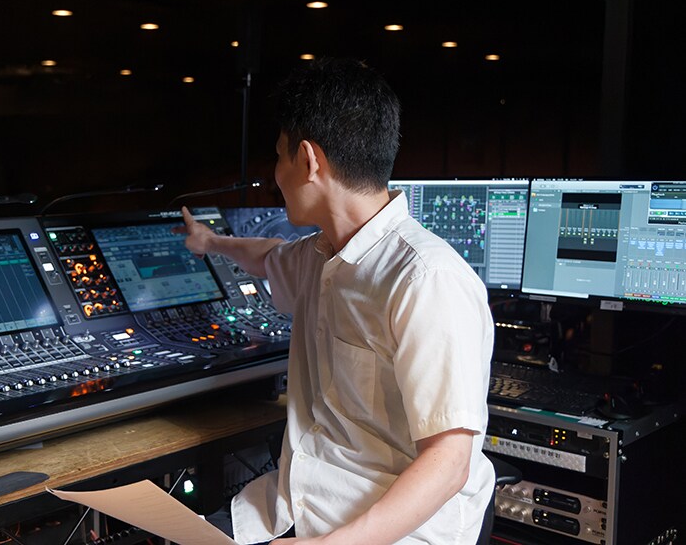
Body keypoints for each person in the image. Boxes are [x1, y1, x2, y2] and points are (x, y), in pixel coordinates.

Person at [175, 57, 495, 544]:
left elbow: (449, 463)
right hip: (296, 503)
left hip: (392, 530)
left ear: (308, 160)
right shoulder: (320, 255)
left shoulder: (427, 279)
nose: (274, 175)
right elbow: (268, 257)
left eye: (278, 157)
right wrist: (211, 241)